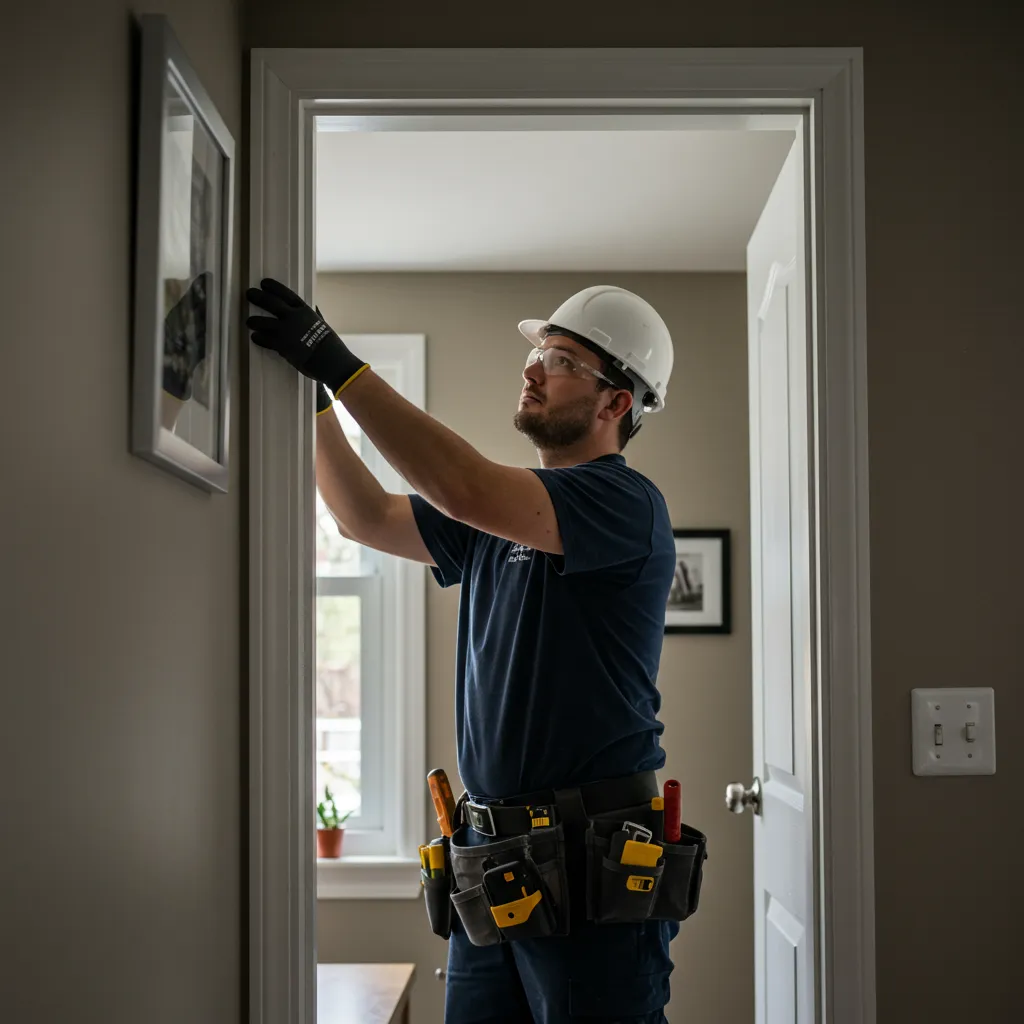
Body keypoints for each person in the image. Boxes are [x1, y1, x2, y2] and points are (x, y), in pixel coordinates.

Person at [247, 278, 684, 1023]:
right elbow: (361, 514)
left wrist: (333, 357)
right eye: (537, 352)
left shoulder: (624, 503)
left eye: (561, 357)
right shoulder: (496, 519)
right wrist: (314, 394)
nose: (533, 367)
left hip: (591, 865)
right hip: (491, 860)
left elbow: (461, 485)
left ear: (617, 402)